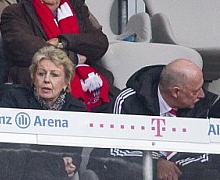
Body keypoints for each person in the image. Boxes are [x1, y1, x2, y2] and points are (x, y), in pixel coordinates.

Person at [0, 0, 113, 112]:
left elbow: (99, 43)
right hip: (35, 95)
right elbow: (27, 49)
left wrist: (64, 41)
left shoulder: (76, 7)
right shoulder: (15, 13)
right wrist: (74, 57)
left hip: (89, 87)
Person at [88, 59, 220, 180]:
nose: (202, 94)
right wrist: (155, 163)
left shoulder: (207, 104)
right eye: (195, 91)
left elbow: (212, 153)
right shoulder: (128, 101)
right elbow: (111, 151)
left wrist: (174, 166)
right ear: (175, 92)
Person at [0, 45, 86, 180]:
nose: (47, 80)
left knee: (44, 164)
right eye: (41, 74)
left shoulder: (76, 109)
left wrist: (71, 161)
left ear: (66, 82)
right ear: (33, 77)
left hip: (47, 172)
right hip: (6, 167)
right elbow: (6, 146)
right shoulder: (14, 98)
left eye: (54, 75)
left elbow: (75, 154)